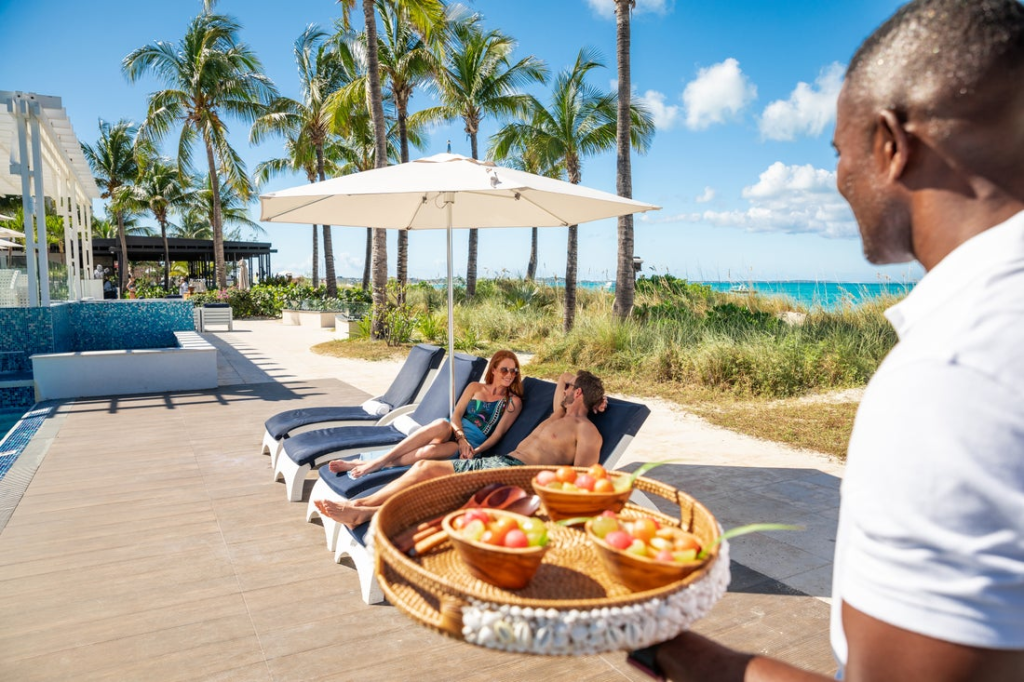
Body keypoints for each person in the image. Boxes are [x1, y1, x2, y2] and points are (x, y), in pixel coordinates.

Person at [647, 2, 1024, 681]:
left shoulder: (950, 376)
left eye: (837, 151)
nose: (838, 177)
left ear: (889, 144)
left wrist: (705, 663)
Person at [314, 370, 607, 528]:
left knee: (433, 479)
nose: (565, 390)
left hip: (521, 477)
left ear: (576, 393)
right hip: (502, 463)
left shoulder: (587, 432)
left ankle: (365, 512)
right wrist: (591, 395)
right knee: (424, 468)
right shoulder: (558, 415)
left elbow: (583, 480)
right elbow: (565, 376)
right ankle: (361, 506)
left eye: (571, 390)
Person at [329, 350, 526, 478]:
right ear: (494, 369)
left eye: (514, 371)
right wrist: (460, 438)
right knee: (441, 423)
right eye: (504, 370)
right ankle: (378, 463)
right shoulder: (475, 387)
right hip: (455, 429)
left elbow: (498, 435)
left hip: (473, 445)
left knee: (428, 452)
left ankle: (364, 463)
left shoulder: (512, 402)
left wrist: (474, 450)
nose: (510, 375)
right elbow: (456, 414)